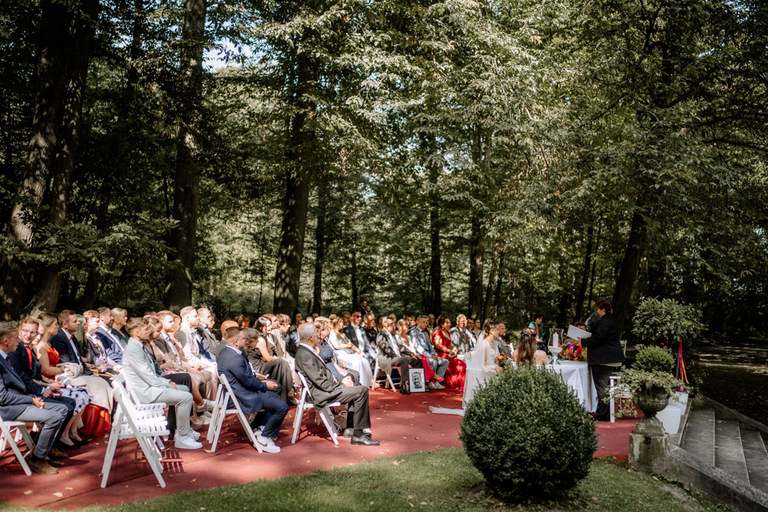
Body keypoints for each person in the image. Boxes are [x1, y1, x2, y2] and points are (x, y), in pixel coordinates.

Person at [0, 321, 70, 474]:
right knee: (54, 417)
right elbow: (3, 397)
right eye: (16, 338)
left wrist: (36, 394)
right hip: (10, 408)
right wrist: (31, 399)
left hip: (22, 400)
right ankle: (37, 459)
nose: (19, 340)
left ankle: (39, 450)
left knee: (63, 409)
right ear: (5, 341)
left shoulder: (5, 357)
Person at [122, 317, 202, 450]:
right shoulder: (133, 350)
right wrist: (168, 384)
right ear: (137, 332)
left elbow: (151, 373)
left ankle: (184, 430)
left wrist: (168, 382)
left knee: (185, 389)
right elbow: (149, 377)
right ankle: (182, 437)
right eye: (146, 329)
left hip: (148, 387)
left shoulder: (138, 345)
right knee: (186, 397)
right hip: (145, 392)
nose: (149, 331)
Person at [295, 320, 380, 446]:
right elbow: (320, 382)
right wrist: (342, 385)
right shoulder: (304, 354)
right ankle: (358, 435)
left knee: (356, 385)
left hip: (327, 388)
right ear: (311, 337)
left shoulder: (308, 350)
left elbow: (324, 376)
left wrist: (342, 380)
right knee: (361, 391)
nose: (319, 335)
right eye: (316, 333)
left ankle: (351, 429)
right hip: (322, 393)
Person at [218, 327, 288, 453]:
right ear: (235, 342)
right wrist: (265, 386)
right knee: (282, 407)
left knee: (275, 397)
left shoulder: (228, 353)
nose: (245, 341)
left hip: (240, 392)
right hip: (240, 398)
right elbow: (248, 381)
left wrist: (264, 384)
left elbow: (246, 378)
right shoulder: (234, 358)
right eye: (243, 338)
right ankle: (263, 438)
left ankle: (258, 427)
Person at [580, 299, 625, 422]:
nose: (597, 311)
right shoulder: (611, 320)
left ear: (603, 309)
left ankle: (602, 414)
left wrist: (582, 342)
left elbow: (598, 338)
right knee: (604, 387)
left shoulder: (605, 322)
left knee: (601, 387)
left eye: (598, 309)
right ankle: (604, 412)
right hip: (609, 358)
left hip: (604, 359)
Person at [243, 318, 294, 404]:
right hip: (258, 367)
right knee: (281, 363)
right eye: (269, 325)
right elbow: (268, 358)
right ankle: (287, 394)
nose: (271, 327)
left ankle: (285, 394)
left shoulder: (266, 337)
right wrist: (279, 359)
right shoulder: (260, 340)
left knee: (282, 364)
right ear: (263, 327)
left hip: (261, 364)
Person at [376, 317, 423, 394]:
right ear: (385, 324)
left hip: (397, 357)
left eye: (394, 323)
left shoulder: (393, 335)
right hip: (388, 358)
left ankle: (417, 385)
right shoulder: (381, 335)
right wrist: (398, 357)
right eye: (391, 324)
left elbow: (400, 347)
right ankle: (403, 385)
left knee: (417, 360)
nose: (393, 325)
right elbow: (386, 349)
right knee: (404, 360)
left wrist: (411, 353)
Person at [463, 321, 503, 406]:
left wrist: (500, 360)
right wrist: (494, 367)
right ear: (491, 331)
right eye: (496, 329)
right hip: (485, 371)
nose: (498, 331)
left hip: (493, 370)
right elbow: (483, 363)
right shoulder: (484, 343)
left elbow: (494, 358)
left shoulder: (494, 343)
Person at [330, 316, 372, 387]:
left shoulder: (342, 334)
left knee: (364, 361)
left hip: (349, 352)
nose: (342, 324)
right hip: (340, 353)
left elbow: (351, 344)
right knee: (357, 362)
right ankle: (357, 383)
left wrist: (359, 351)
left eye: (342, 322)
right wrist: (347, 345)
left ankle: (365, 382)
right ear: (335, 323)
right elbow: (336, 346)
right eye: (340, 322)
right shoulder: (332, 333)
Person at [408, 316, 447, 389]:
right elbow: (417, 347)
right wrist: (430, 356)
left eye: (427, 322)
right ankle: (430, 382)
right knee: (433, 361)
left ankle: (437, 381)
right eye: (424, 322)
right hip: (420, 355)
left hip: (429, 354)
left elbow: (430, 345)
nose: (426, 324)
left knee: (445, 362)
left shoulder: (426, 333)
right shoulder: (413, 332)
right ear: (418, 322)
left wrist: (434, 354)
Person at [431, 315, 466, 389]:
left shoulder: (447, 332)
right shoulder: (438, 332)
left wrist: (454, 348)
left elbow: (450, 344)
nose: (449, 324)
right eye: (446, 322)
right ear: (441, 324)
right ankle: (439, 381)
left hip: (447, 353)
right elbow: (438, 345)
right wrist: (449, 351)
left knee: (462, 363)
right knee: (456, 364)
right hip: (440, 353)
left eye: (449, 322)